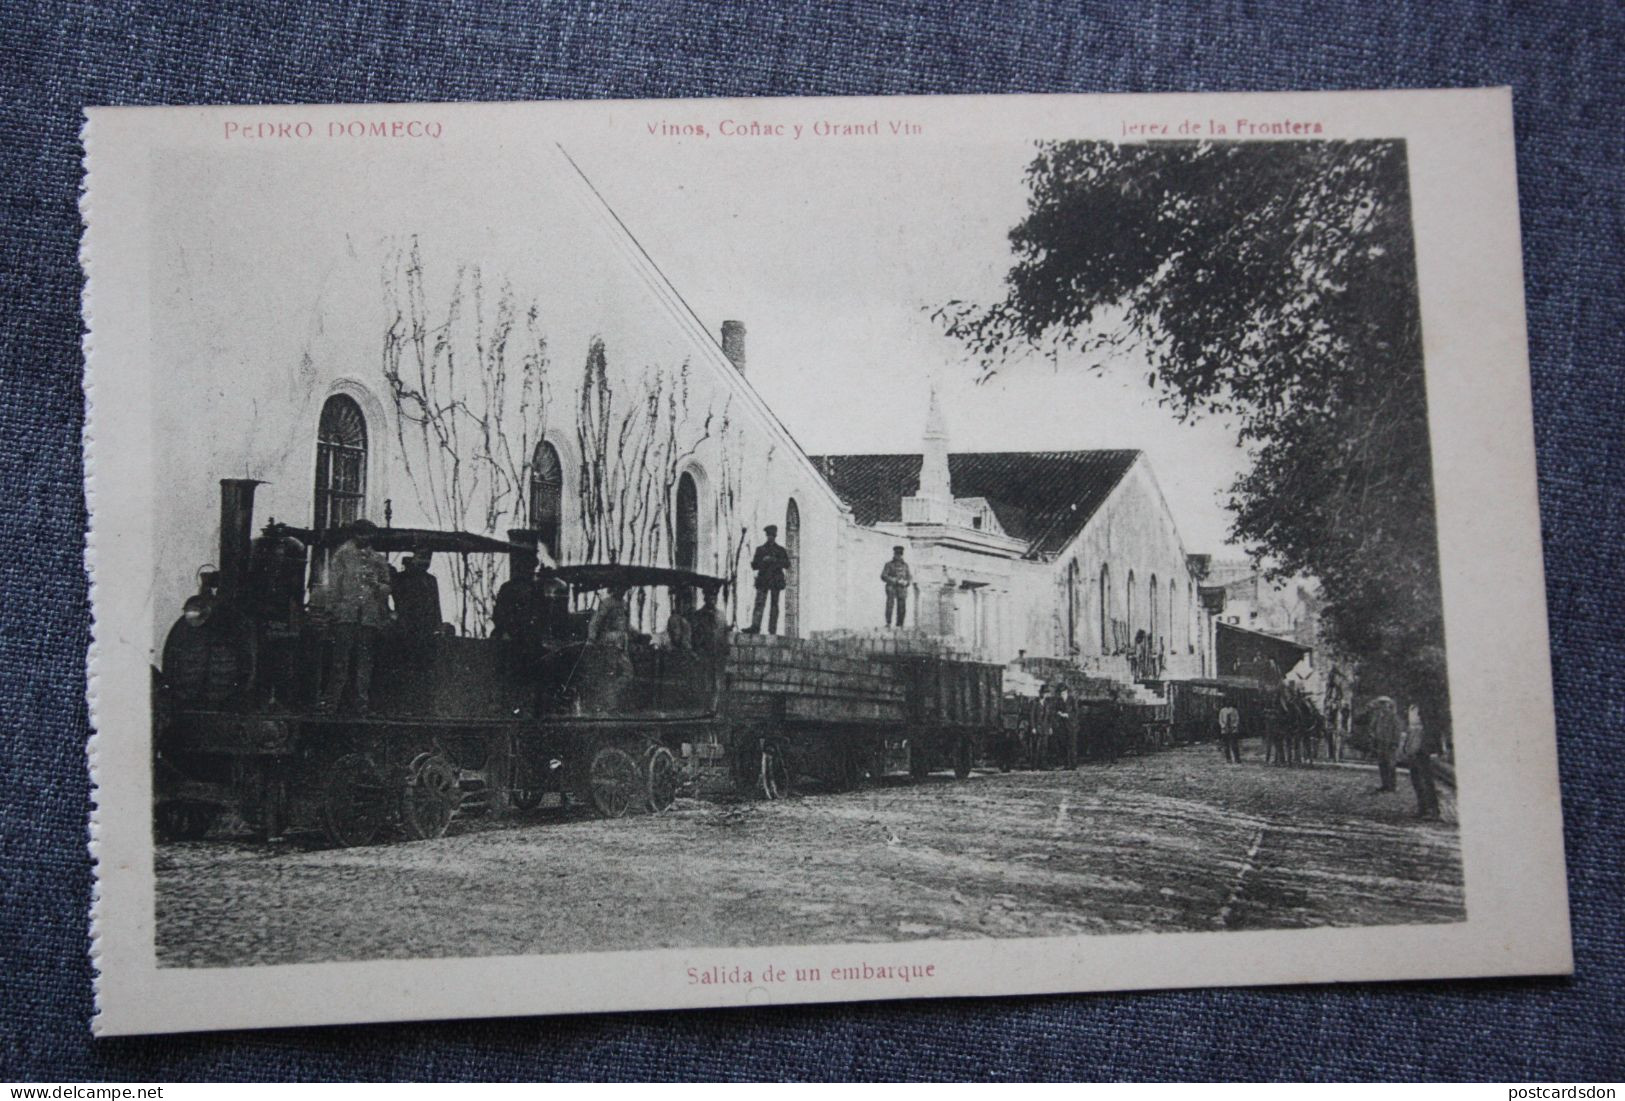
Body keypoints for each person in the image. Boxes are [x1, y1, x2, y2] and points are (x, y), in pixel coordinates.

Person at [317, 520, 391, 715]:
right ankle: (331, 703)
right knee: (340, 661)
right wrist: (331, 610)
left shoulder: (378, 559)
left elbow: (387, 588)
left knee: (365, 662)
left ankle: (361, 705)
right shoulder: (342, 555)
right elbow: (334, 585)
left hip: (368, 618)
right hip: (346, 616)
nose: (364, 538)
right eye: (360, 533)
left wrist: (377, 586)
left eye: (367, 534)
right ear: (353, 534)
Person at [390, 551, 442, 665]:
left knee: (422, 657)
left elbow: (435, 602)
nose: (425, 562)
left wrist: (437, 623)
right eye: (421, 558)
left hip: (425, 624)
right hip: (407, 622)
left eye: (427, 559)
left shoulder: (430, 580)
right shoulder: (401, 578)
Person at [747, 524, 790, 635]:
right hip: (763, 579)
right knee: (759, 603)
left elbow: (787, 564)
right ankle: (755, 626)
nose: (770, 537)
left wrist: (775, 560)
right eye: (769, 535)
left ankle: (772, 629)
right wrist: (764, 560)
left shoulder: (780, 550)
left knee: (774, 605)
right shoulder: (760, 549)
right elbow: (754, 565)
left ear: (775, 536)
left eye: (772, 535)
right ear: (766, 536)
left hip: (775, 580)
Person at [1405, 704, 1442, 820]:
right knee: (1416, 781)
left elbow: (1432, 732)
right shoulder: (1412, 708)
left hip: (1422, 752)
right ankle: (1422, 808)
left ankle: (1433, 811)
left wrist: (1433, 750)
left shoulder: (1426, 711)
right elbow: (1410, 732)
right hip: (1413, 751)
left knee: (1426, 782)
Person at [1366, 695, 1402, 792]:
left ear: (1388, 705)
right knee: (1382, 764)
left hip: (1390, 744)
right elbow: (1372, 727)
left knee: (1390, 765)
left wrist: (1395, 743)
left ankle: (1392, 786)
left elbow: (1397, 731)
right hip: (1380, 743)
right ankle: (1385, 785)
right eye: (1380, 704)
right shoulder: (1378, 716)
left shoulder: (1393, 716)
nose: (1383, 706)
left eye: (1384, 704)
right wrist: (1373, 735)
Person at [881, 546, 912, 627]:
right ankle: (888, 622)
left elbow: (909, 577)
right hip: (892, 588)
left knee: (902, 606)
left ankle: (900, 624)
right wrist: (895, 580)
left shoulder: (905, 565)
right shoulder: (889, 564)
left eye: (900, 554)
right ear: (894, 554)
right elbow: (884, 575)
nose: (898, 556)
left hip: (902, 588)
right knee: (890, 605)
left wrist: (906, 582)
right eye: (897, 554)